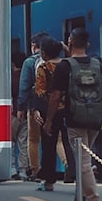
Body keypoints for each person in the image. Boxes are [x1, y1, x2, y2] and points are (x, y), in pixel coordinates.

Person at [44, 28, 102, 201]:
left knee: (83, 162)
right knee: (84, 157)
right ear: (87, 44)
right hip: (95, 119)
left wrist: (49, 120)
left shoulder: (65, 66)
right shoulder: (98, 64)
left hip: (75, 119)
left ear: (69, 42)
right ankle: (81, 196)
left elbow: (55, 96)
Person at [34, 36, 75, 192]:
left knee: (48, 146)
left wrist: (38, 110)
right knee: (71, 144)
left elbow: (40, 92)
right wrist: (67, 51)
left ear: (43, 53)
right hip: (70, 109)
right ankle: (77, 174)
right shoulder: (68, 65)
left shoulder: (43, 68)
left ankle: (49, 181)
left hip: (49, 111)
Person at [17, 31, 49, 181]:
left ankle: (36, 170)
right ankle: (68, 164)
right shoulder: (56, 61)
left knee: (33, 139)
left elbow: (24, 87)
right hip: (54, 105)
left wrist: (21, 107)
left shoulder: (29, 62)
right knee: (59, 140)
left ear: (34, 46)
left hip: (34, 105)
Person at [11, 51, 29, 179]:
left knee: (10, 142)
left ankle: (12, 168)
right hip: (26, 112)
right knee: (23, 142)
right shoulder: (26, 77)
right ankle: (23, 169)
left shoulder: (10, 77)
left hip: (12, 113)